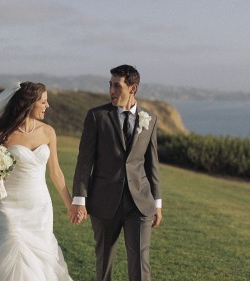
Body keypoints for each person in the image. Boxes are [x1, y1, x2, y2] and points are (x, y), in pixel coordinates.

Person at [0, 82, 74, 281]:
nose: (47, 106)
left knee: (39, 256)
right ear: (29, 104)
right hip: (10, 205)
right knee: (13, 248)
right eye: (43, 102)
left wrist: (70, 205)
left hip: (39, 205)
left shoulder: (48, 132)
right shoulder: (3, 135)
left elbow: (55, 171)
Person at [70, 65, 162, 281]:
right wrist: (79, 199)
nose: (111, 90)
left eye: (117, 86)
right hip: (104, 200)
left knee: (140, 260)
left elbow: (152, 165)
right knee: (105, 260)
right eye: (110, 85)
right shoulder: (97, 117)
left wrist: (157, 204)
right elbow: (84, 162)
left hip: (139, 202)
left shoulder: (150, 119)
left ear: (133, 88)